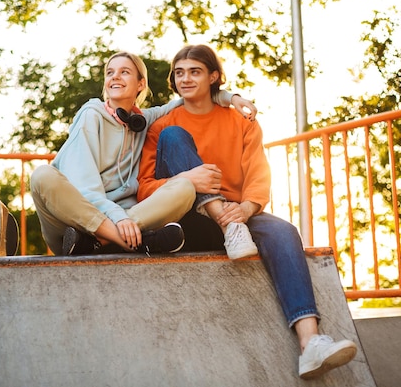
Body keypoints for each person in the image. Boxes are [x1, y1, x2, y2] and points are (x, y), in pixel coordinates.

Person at [137, 44, 357, 379]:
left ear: (213, 77)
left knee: (284, 232)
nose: (185, 79)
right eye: (179, 72)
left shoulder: (241, 120)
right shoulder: (162, 125)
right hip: (190, 219)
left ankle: (310, 343)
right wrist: (186, 179)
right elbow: (145, 188)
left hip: (240, 216)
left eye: (194, 71)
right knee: (174, 136)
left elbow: (258, 172)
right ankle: (222, 219)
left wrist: (244, 207)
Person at [30, 51, 256, 256]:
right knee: (42, 175)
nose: (115, 77)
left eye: (124, 72)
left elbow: (186, 100)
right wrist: (118, 218)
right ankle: (136, 242)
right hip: (75, 224)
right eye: (110, 73)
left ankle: (101, 242)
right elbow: (84, 189)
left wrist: (233, 98)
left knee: (186, 186)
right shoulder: (91, 115)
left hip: (121, 223)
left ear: (140, 84)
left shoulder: (141, 121)